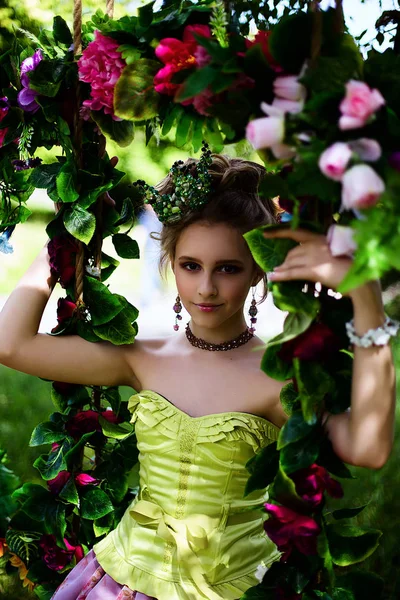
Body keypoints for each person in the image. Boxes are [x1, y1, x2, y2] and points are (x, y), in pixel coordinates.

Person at [0, 146, 397, 600]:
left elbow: (368, 448)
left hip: (233, 585)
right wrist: (64, 240)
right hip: (124, 580)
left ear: (256, 272)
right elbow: (12, 345)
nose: (206, 288)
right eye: (191, 266)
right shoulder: (141, 358)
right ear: (171, 263)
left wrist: (365, 298)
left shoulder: (280, 377)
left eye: (227, 268)